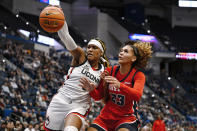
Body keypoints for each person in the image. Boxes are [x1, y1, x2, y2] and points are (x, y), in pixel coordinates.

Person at [43, 6, 109, 131]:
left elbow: (99, 97)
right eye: (89, 47)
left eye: (94, 48)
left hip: (79, 105)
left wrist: (91, 90)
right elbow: (66, 37)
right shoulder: (80, 57)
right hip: (61, 100)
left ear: (100, 53)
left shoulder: (103, 72)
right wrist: (61, 18)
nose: (89, 49)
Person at [80, 41, 152, 131]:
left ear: (133, 58)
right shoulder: (110, 71)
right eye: (121, 51)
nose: (121, 53)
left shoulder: (138, 75)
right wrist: (91, 90)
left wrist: (119, 85)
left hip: (126, 118)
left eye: (126, 51)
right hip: (105, 117)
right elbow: (98, 96)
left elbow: (137, 95)